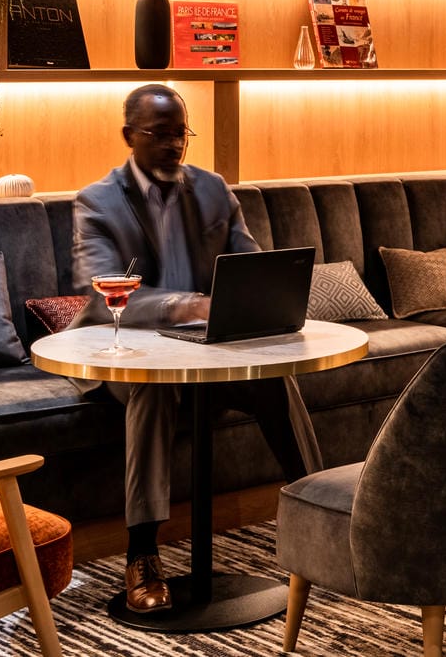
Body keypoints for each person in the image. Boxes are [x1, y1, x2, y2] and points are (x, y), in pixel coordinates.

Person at [72, 84, 309, 614]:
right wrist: (183, 305)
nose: (174, 144)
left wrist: (261, 296)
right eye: (160, 133)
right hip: (125, 349)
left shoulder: (214, 189)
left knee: (274, 374)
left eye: (182, 133)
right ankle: (141, 554)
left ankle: (323, 513)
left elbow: (247, 264)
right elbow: (104, 291)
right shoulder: (97, 201)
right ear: (129, 135)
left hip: (207, 347)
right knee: (153, 387)